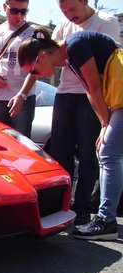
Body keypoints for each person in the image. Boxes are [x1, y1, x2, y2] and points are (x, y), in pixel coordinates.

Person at [18, 27, 121, 240]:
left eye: (34, 71)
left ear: (42, 56)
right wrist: (104, 122)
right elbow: (89, 90)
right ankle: (105, 219)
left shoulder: (75, 45)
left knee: (108, 154)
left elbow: (94, 87)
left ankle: (106, 221)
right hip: (117, 96)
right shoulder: (70, 59)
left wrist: (105, 124)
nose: (36, 76)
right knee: (108, 153)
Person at [48, 0, 120, 225]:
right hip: (65, 93)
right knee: (60, 154)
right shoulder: (62, 26)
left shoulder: (106, 21)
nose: (69, 15)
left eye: (72, 9)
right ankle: (59, 207)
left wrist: (105, 121)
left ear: (85, 1)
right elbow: (58, 58)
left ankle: (82, 210)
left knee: (89, 154)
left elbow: (97, 77)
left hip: (92, 95)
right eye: (63, 11)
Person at [0, 0, 36, 138]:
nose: (19, 15)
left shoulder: (33, 32)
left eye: (23, 11)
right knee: (0, 142)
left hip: (22, 99)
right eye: (14, 11)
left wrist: (22, 95)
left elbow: (37, 69)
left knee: (21, 146)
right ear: (5, 7)